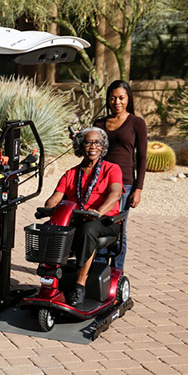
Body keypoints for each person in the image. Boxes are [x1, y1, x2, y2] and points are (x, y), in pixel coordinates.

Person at [44, 127, 123, 306]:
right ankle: (51, 279)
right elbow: (56, 196)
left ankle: (80, 284)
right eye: (88, 142)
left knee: (87, 230)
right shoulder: (71, 173)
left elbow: (115, 194)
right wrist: (49, 207)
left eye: (97, 143)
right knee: (51, 227)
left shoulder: (112, 169)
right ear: (81, 146)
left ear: (103, 147)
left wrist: (98, 212)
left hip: (106, 220)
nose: (93, 146)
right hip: (78, 216)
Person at [93, 80, 147, 269]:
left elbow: (141, 158)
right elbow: (92, 150)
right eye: (113, 98)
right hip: (100, 181)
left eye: (121, 98)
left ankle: (116, 273)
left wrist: (138, 188)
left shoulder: (137, 123)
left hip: (124, 184)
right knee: (98, 226)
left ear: (128, 98)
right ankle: (99, 272)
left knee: (118, 229)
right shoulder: (99, 123)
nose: (117, 102)